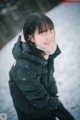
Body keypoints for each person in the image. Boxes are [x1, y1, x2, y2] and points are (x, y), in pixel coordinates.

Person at [9, 12, 75, 120]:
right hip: (33, 113)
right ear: (31, 38)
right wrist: (55, 103)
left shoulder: (44, 51)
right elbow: (38, 98)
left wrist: (54, 95)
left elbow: (48, 76)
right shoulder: (23, 67)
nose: (50, 36)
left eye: (51, 30)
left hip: (45, 102)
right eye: (43, 33)